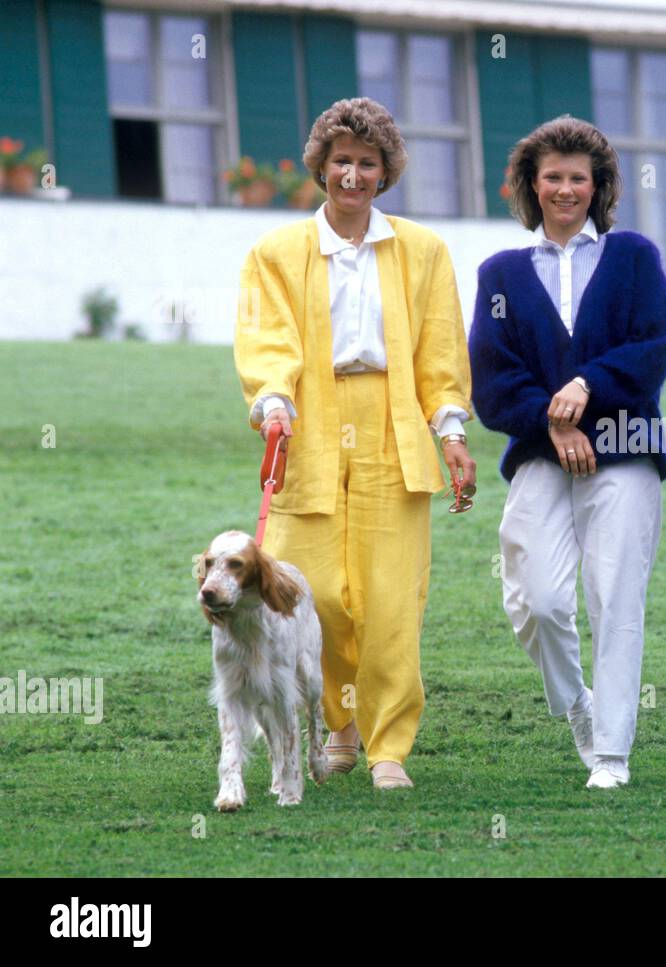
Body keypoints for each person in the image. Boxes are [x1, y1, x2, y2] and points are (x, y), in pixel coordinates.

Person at [234, 96, 475, 791]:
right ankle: (340, 719)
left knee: (392, 597)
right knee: (316, 591)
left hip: (393, 419)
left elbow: (439, 350)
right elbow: (265, 336)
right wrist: (273, 401)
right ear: (321, 164)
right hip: (309, 419)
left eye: (368, 163)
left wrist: (450, 429)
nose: (353, 174)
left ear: (385, 171)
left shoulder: (423, 250)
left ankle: (387, 746)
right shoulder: (274, 252)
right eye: (342, 160)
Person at [468, 116, 666, 790]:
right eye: (552, 177)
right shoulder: (500, 272)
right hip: (539, 452)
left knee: (615, 594)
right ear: (532, 185)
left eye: (577, 178)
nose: (565, 189)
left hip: (625, 448)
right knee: (538, 597)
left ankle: (611, 752)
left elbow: (653, 344)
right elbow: (492, 375)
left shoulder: (635, 256)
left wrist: (586, 387)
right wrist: (551, 421)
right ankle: (577, 704)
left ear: (598, 185)